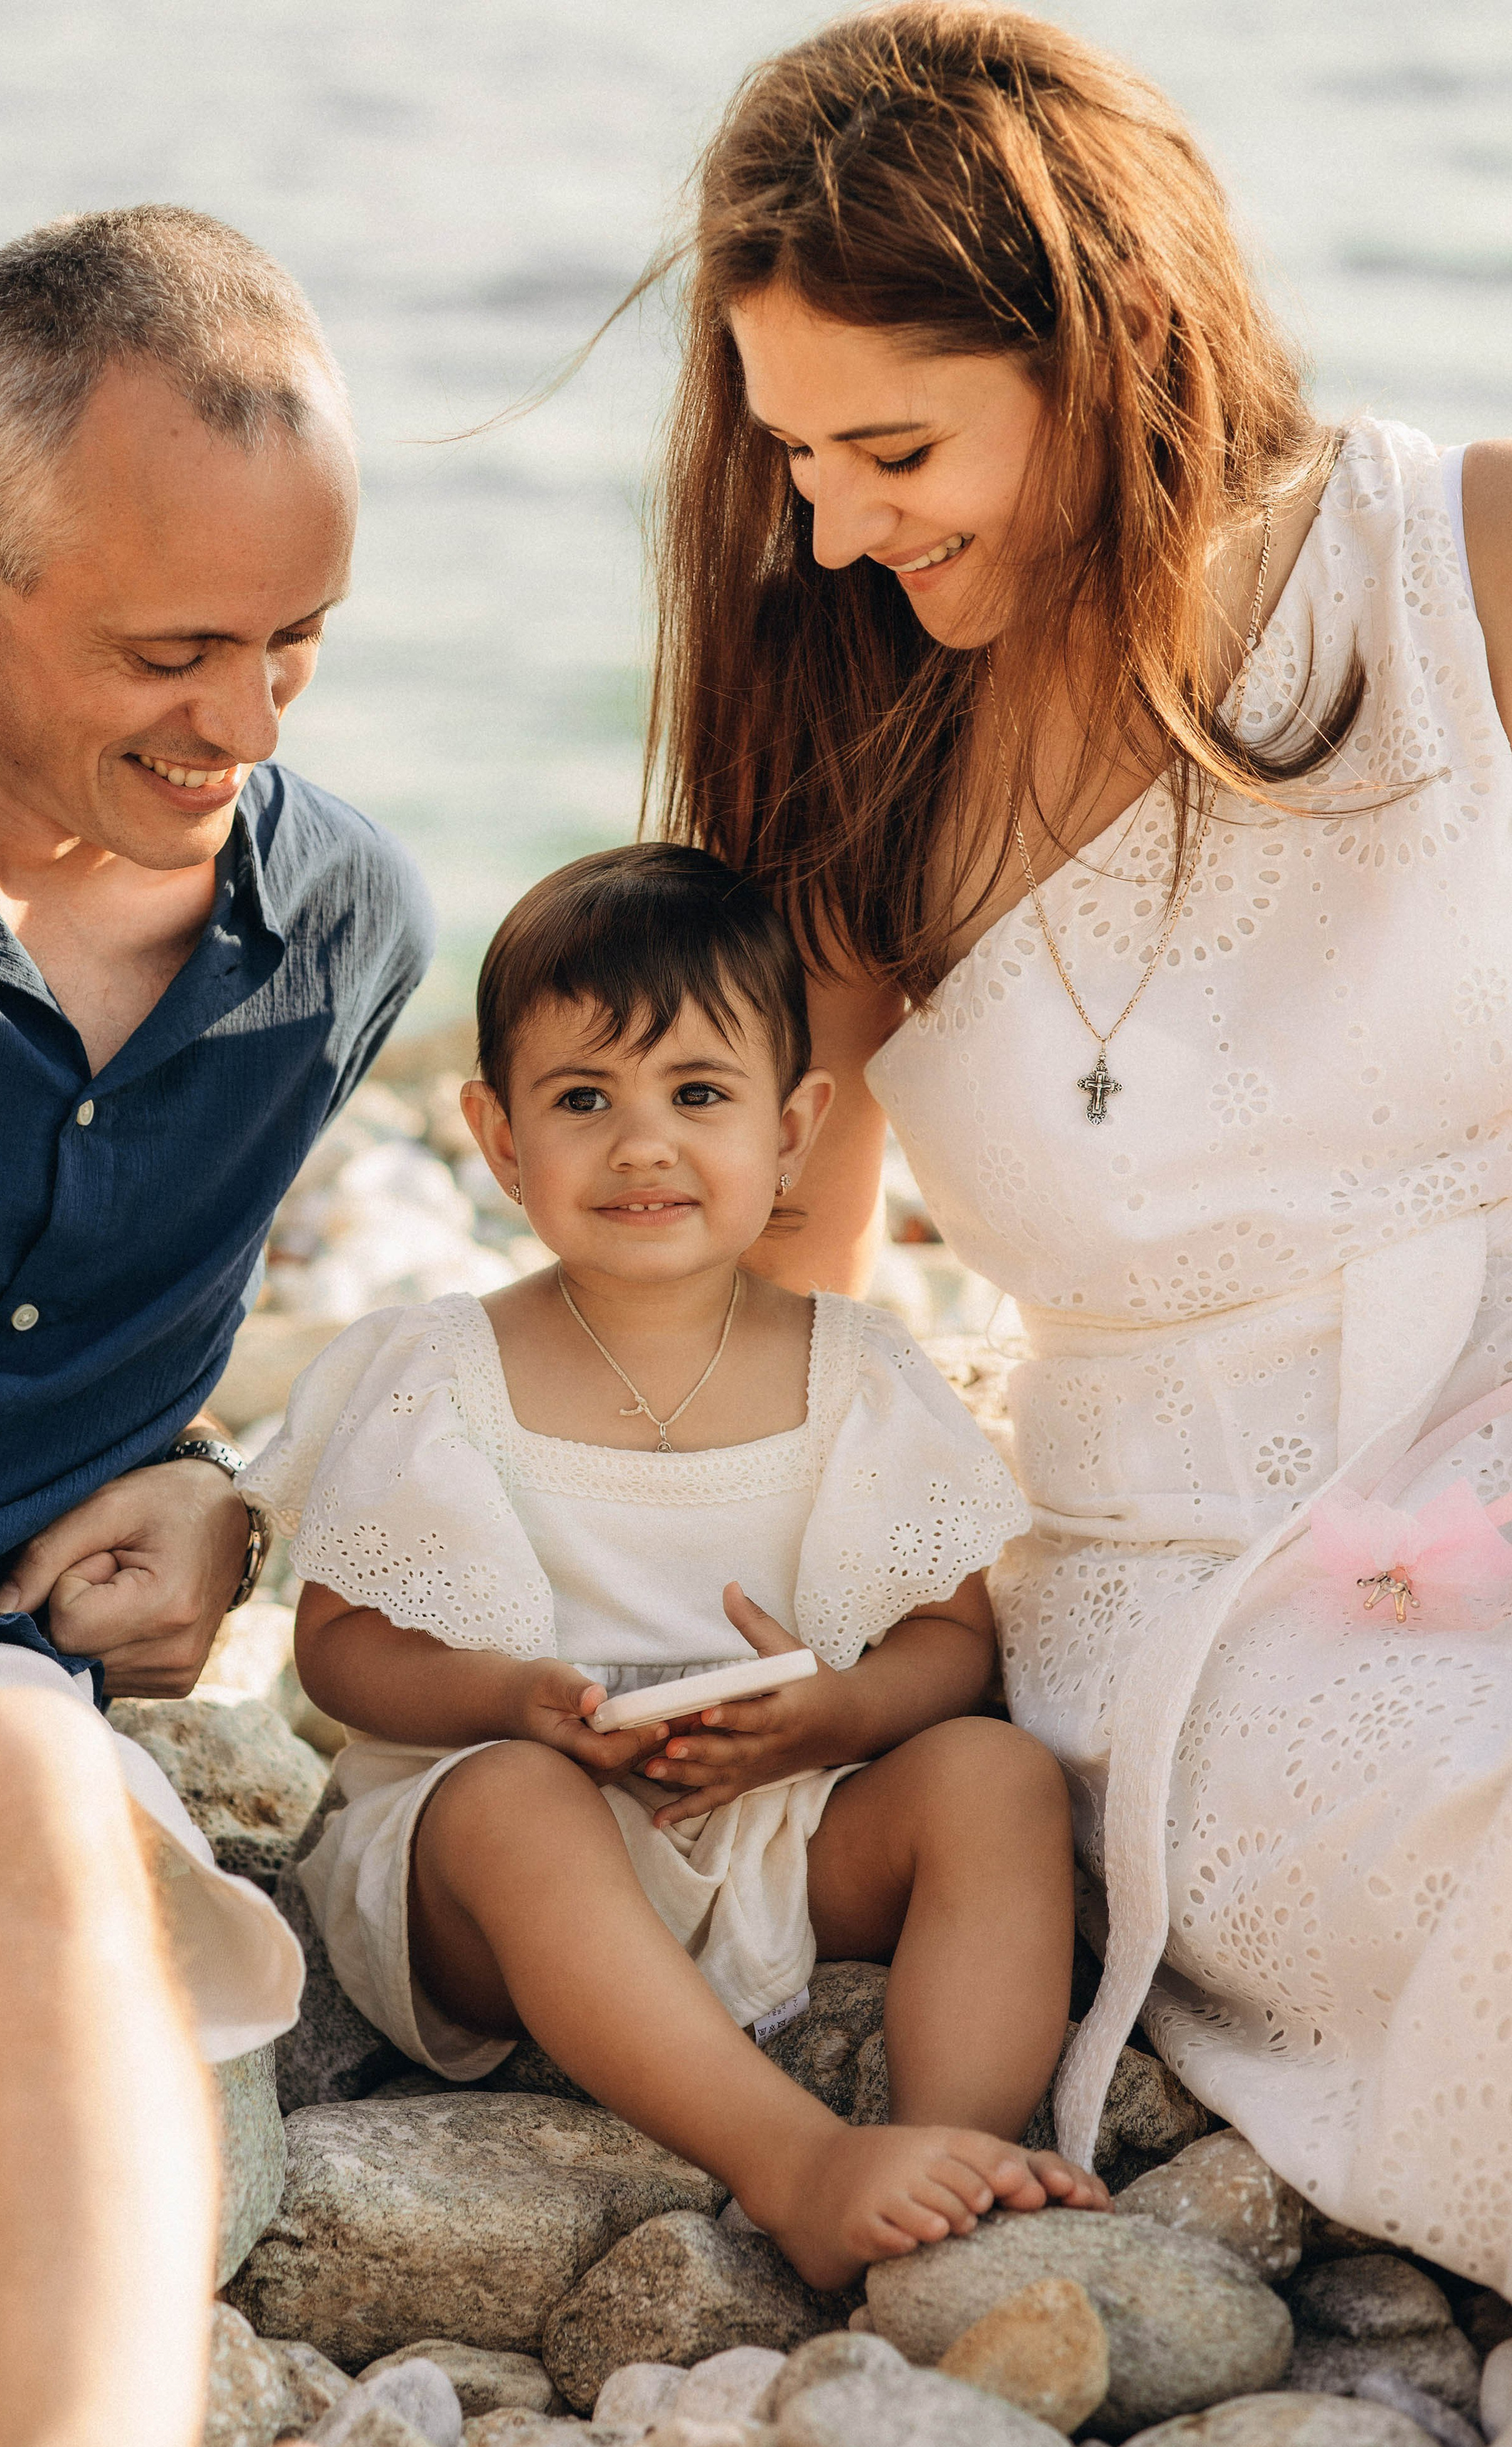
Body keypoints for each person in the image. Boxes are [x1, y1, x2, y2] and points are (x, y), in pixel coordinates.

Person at [642, 0, 1512, 2294]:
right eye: (794, 453)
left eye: (894, 444)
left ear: (1116, 346)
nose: (829, 525)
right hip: (1207, 1594)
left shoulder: (1467, 565)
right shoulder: (851, 771)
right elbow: (766, 1317)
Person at [0, 208, 475, 2447]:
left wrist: (215, 1489)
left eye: (299, 646)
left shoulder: (344, 937)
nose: (246, 726)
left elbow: (150, 1350)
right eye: (175, 648)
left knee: (16, 1787)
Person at [248, 844, 1106, 2287]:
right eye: (582, 1101)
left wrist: (831, 1716)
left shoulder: (853, 1371)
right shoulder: (445, 1369)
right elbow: (333, 1651)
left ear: (792, 1127)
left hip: (772, 1834)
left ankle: (954, 2146)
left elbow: (952, 1639)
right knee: (515, 1804)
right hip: (491, 1882)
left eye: (697, 1096)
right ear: (498, 1137)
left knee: (993, 1777)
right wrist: (504, 1699)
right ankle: (795, 2162)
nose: (641, 1146)